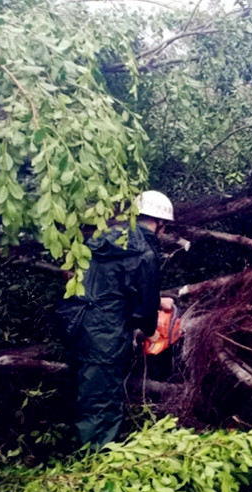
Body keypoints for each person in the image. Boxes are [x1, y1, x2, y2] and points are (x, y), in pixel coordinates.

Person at [58, 190, 175, 448]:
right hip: (105, 336)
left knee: (84, 393)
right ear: (160, 224)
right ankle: (94, 464)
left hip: (76, 323)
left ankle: (79, 451)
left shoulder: (105, 238)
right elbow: (142, 307)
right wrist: (151, 331)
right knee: (102, 402)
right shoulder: (146, 252)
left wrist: (158, 300)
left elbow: (112, 284)